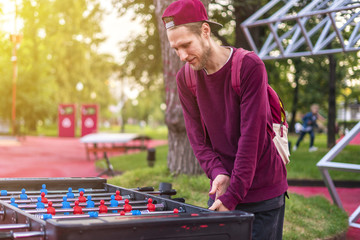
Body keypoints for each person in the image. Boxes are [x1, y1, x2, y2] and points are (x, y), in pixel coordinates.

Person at [161, 1, 288, 239]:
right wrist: (217, 171)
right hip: (224, 187)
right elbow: (197, 140)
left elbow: (252, 138)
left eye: (186, 45)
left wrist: (234, 194)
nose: (182, 55)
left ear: (205, 31)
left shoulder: (249, 67)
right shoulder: (185, 78)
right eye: (175, 48)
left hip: (262, 192)